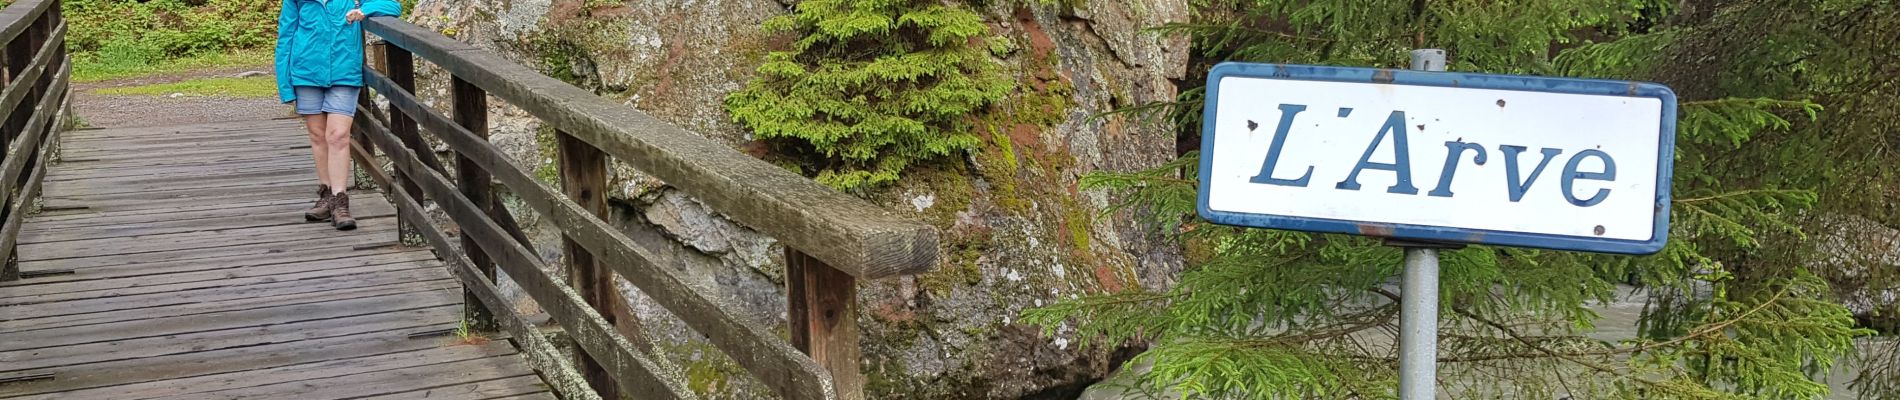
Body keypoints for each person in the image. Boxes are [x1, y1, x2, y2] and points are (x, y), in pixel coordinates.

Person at [275, 0, 401, 230]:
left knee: (339, 135)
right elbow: (286, 37)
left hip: (344, 71)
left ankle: (340, 200)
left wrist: (364, 11)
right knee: (317, 135)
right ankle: (326, 195)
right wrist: (285, 85)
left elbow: (393, 6)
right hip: (305, 72)